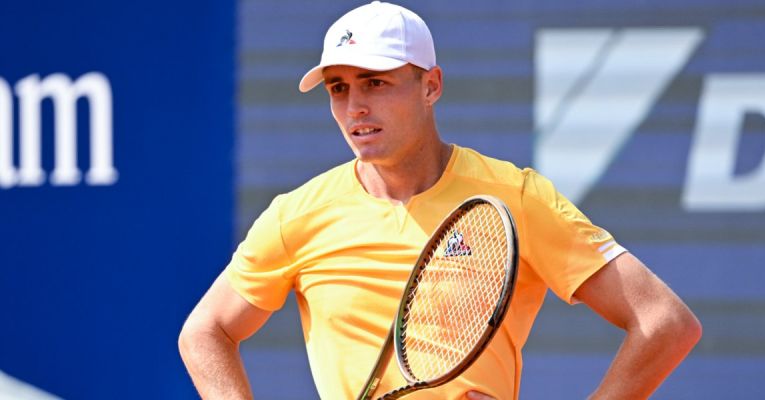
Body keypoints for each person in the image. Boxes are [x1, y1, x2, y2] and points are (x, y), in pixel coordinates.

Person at [178, 2, 702, 399]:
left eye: (374, 83)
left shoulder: (515, 197)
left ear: (431, 86)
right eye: (338, 88)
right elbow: (205, 331)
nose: (355, 107)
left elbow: (665, 323)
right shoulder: (296, 214)